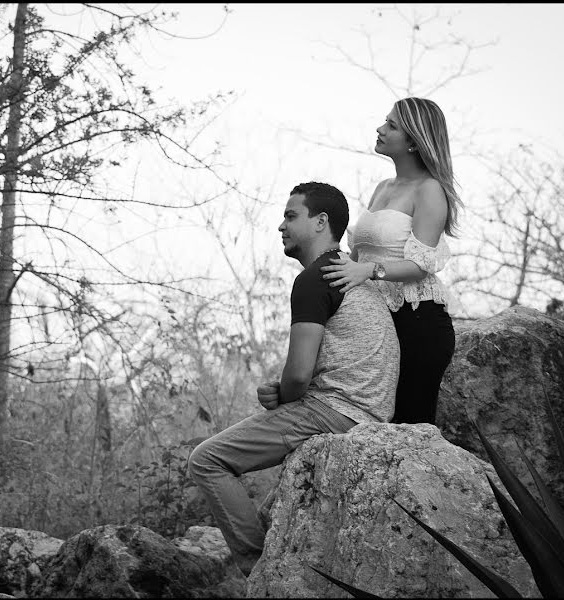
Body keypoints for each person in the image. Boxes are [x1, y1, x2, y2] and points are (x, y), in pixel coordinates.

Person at [187, 181, 399, 577]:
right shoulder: (354, 278)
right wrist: (283, 390)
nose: (280, 226)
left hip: (334, 412)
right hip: (369, 415)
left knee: (207, 460)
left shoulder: (316, 279)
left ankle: (257, 570)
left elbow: (299, 374)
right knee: (271, 509)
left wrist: (286, 392)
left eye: (290, 215)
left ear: (321, 222)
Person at [320, 97, 460, 425]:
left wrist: (369, 271)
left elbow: (421, 264)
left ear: (414, 141)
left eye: (392, 125)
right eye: (385, 121)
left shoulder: (429, 190)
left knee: (408, 426)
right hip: (377, 322)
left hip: (418, 323)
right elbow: (357, 255)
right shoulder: (383, 187)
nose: (380, 129)